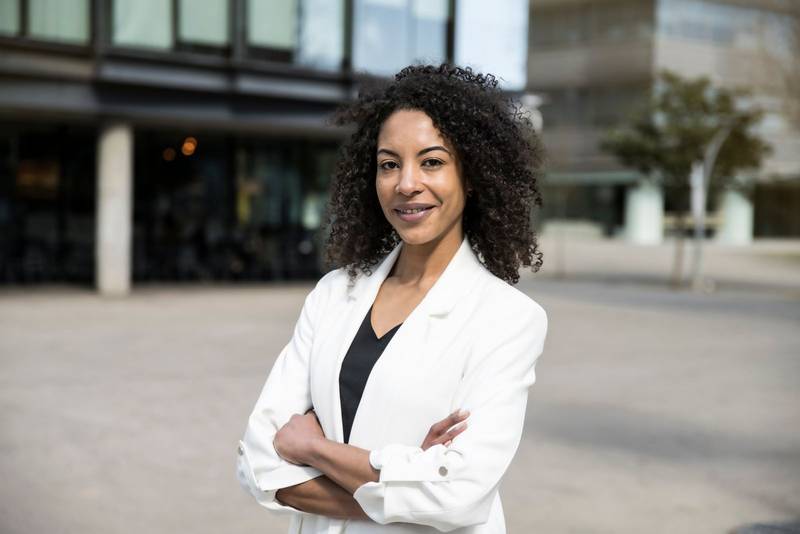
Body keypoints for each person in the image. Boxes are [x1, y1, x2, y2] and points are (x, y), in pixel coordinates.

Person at [235, 63, 549, 533]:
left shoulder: (507, 318)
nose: (406, 183)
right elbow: (257, 460)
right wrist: (403, 482)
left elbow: (458, 495)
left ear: (473, 175)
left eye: (432, 162)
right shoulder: (333, 294)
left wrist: (314, 450)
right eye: (388, 164)